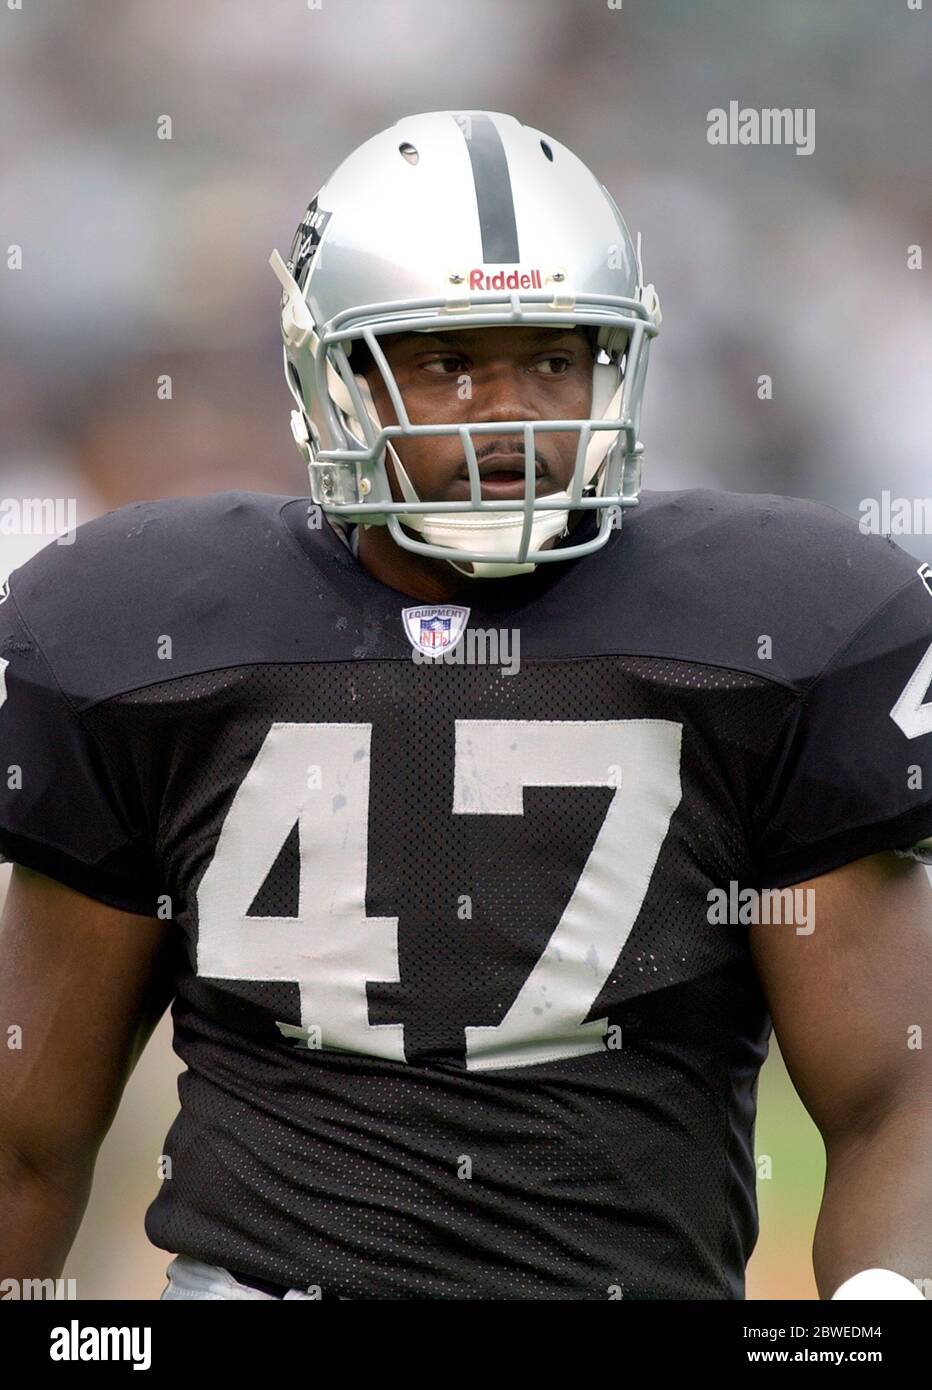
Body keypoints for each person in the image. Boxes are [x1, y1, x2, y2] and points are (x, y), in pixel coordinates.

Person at [0, 111, 929, 1301]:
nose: (512, 415)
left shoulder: (774, 633)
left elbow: (894, 1090)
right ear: (330, 378)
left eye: (554, 357)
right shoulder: (142, 634)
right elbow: (27, 1141)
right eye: (445, 363)